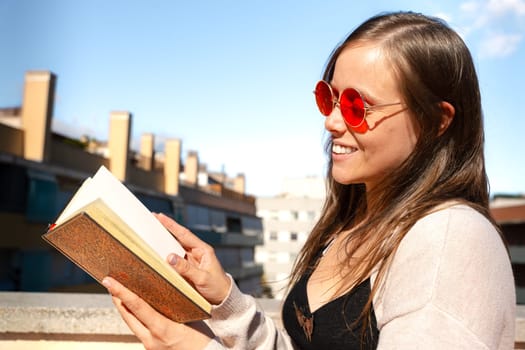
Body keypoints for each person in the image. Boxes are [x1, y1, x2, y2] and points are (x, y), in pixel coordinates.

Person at [101, 11, 516, 349]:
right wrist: (227, 301)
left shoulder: (449, 240)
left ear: (437, 120)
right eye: (329, 97)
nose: (333, 121)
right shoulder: (350, 223)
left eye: (358, 105)